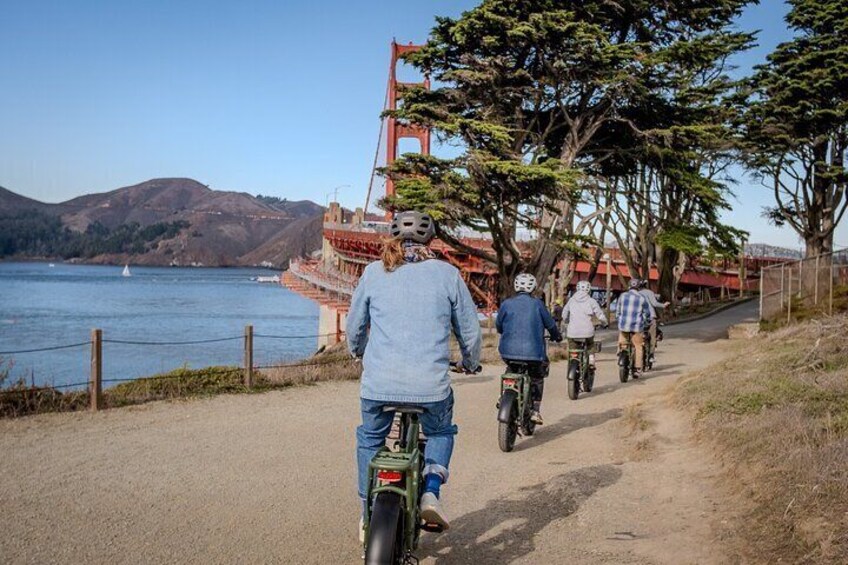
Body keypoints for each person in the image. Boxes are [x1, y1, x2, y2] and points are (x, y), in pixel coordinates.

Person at [346, 211, 482, 535]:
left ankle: (367, 511)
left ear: (393, 237)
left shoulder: (373, 272)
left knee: (370, 437)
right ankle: (431, 491)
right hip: (430, 388)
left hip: (378, 385)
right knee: (439, 431)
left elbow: (354, 326)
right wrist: (470, 361)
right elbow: (470, 331)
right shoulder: (448, 274)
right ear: (431, 240)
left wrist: (357, 350)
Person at [496, 273, 562, 425]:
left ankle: (505, 394)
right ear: (532, 287)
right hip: (534, 353)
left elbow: (499, 325)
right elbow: (551, 325)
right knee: (537, 376)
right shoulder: (538, 304)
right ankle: (535, 410)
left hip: (507, 351)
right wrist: (557, 336)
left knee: (511, 368)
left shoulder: (506, 303)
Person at [562, 281, 608, 367]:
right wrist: (605, 323)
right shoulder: (592, 301)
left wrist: (567, 321)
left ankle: (573, 358)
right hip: (587, 331)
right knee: (590, 344)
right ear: (589, 290)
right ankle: (591, 359)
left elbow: (564, 314)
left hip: (573, 332)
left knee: (573, 349)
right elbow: (600, 315)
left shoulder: (571, 300)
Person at [616, 279, 652, 377]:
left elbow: (618, 311)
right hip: (636, 327)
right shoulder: (642, 298)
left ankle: (619, 352)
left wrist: (619, 320)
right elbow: (647, 314)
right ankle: (637, 369)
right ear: (639, 287)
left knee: (622, 343)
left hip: (623, 326)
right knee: (638, 346)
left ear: (629, 286)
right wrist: (647, 322)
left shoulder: (622, 296)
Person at [638, 279, 670, 363]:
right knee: (652, 336)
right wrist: (664, 305)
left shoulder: (636, 294)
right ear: (646, 285)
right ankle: (651, 355)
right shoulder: (649, 292)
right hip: (650, 317)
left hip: (639, 317)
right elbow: (655, 303)